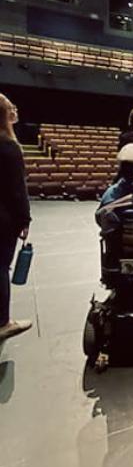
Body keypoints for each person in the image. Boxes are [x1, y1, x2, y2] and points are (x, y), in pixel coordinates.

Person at [0, 93, 32, 340]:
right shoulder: (9, 147)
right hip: (4, 218)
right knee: (1, 267)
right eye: (12, 107)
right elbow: (16, 190)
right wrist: (24, 219)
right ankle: (3, 322)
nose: (15, 111)